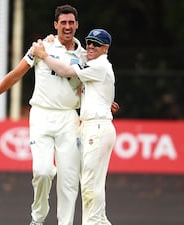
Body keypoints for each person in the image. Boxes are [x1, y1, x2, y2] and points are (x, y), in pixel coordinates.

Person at [0, 5, 85, 225]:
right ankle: (38, 218)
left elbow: (89, 86)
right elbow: (16, 75)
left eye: (71, 22)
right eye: (63, 23)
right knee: (43, 171)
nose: (67, 26)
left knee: (69, 180)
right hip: (42, 116)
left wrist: (104, 104)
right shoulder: (42, 47)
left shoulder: (82, 55)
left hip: (69, 118)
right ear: (56, 25)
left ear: (77, 25)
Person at [31, 28, 116, 225]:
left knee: (89, 185)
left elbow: (66, 71)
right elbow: (78, 62)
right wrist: (51, 40)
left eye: (96, 44)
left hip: (97, 128)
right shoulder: (94, 64)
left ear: (106, 48)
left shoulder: (99, 66)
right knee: (90, 184)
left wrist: (44, 54)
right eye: (89, 42)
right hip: (90, 127)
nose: (91, 46)